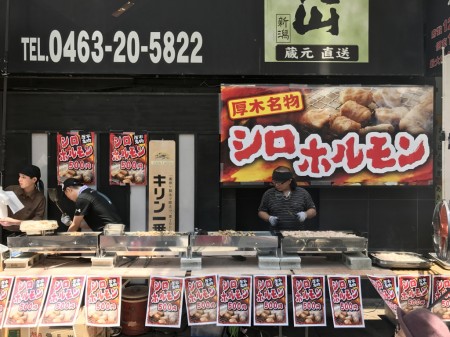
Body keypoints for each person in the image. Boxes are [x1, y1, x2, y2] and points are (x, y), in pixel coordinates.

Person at [258, 166, 316, 230]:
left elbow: (313, 210)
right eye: (275, 182)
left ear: (289, 181)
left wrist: (305, 214)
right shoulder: (269, 193)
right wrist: (269, 218)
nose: (277, 185)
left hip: (297, 233)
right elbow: (261, 211)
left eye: (280, 183)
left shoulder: (302, 193)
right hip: (275, 233)